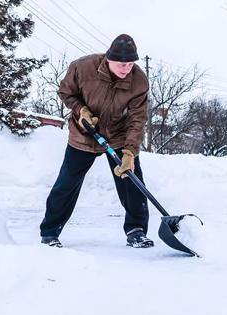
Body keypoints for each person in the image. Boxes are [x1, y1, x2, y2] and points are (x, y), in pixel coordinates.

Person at [40, 34, 153, 249]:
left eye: (130, 64)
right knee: (67, 183)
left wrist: (129, 153)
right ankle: (49, 232)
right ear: (108, 58)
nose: (125, 69)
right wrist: (81, 110)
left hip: (118, 136)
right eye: (121, 64)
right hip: (84, 133)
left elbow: (137, 119)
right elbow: (66, 92)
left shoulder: (138, 81)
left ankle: (136, 230)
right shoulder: (82, 68)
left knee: (132, 181)